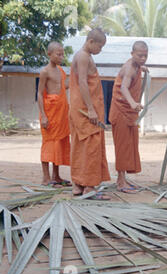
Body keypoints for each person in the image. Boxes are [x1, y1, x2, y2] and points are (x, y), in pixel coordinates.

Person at [69, 28, 111, 200]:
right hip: (86, 110)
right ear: (91, 41)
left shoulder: (82, 56)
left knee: (80, 146)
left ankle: (78, 185)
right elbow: (83, 83)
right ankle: (89, 188)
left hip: (80, 108)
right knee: (91, 147)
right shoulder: (84, 56)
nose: (100, 50)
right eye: (100, 46)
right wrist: (91, 109)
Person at [109, 41, 148, 193]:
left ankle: (124, 179)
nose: (143, 58)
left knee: (130, 146)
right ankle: (120, 182)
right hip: (121, 111)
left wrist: (142, 67)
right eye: (140, 55)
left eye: (145, 55)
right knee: (122, 147)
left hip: (130, 114)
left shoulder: (137, 67)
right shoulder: (130, 68)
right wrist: (132, 103)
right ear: (132, 54)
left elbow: (136, 71)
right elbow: (124, 87)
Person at [37, 42, 71, 187]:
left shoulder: (61, 71)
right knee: (49, 144)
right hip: (50, 113)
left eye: (63, 54)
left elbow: (63, 87)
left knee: (59, 144)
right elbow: (39, 93)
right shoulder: (45, 71)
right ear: (49, 54)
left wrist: (77, 76)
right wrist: (43, 115)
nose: (61, 57)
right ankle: (46, 178)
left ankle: (56, 176)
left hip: (61, 113)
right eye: (58, 54)